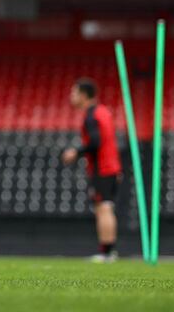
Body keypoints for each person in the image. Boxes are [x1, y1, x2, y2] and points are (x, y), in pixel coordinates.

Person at [61, 78, 122, 263]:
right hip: (112, 167)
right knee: (106, 207)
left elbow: (95, 142)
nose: (71, 97)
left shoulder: (91, 116)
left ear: (83, 95)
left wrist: (76, 152)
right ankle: (108, 252)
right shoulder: (104, 112)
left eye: (74, 92)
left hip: (102, 169)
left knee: (103, 208)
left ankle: (106, 253)